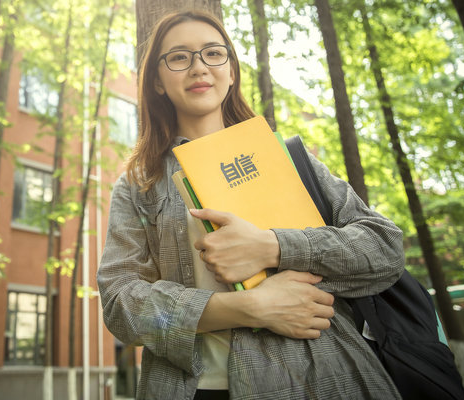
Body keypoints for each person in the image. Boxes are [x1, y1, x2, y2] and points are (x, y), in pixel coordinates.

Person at [97, 10, 405, 400]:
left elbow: (386, 248)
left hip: (322, 378)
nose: (198, 68)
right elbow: (120, 301)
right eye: (179, 57)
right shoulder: (140, 183)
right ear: (157, 81)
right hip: (188, 388)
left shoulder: (288, 158)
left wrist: (272, 246)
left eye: (213, 53)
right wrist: (248, 307)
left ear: (231, 70)